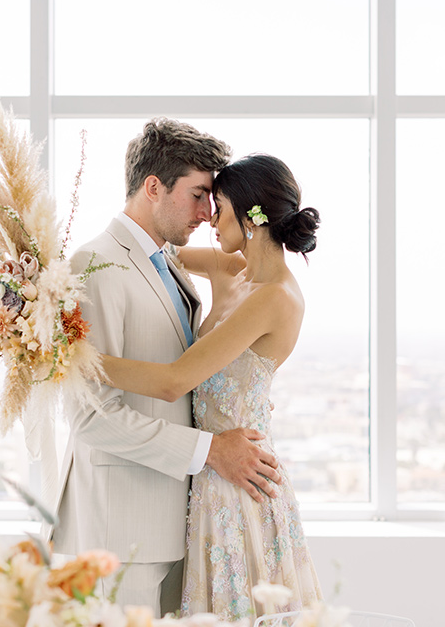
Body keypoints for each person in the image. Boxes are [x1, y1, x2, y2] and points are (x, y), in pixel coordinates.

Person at [52, 120, 283, 617]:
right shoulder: (95, 266)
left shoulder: (168, 260)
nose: (208, 211)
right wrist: (211, 450)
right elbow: (91, 417)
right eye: (199, 194)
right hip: (121, 526)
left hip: (180, 518)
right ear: (153, 187)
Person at [99, 153, 324, 619]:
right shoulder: (228, 269)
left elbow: (173, 381)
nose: (208, 220)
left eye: (217, 207)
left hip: (240, 488)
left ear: (252, 217)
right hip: (205, 479)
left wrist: (76, 360)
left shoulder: (275, 298)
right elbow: (146, 251)